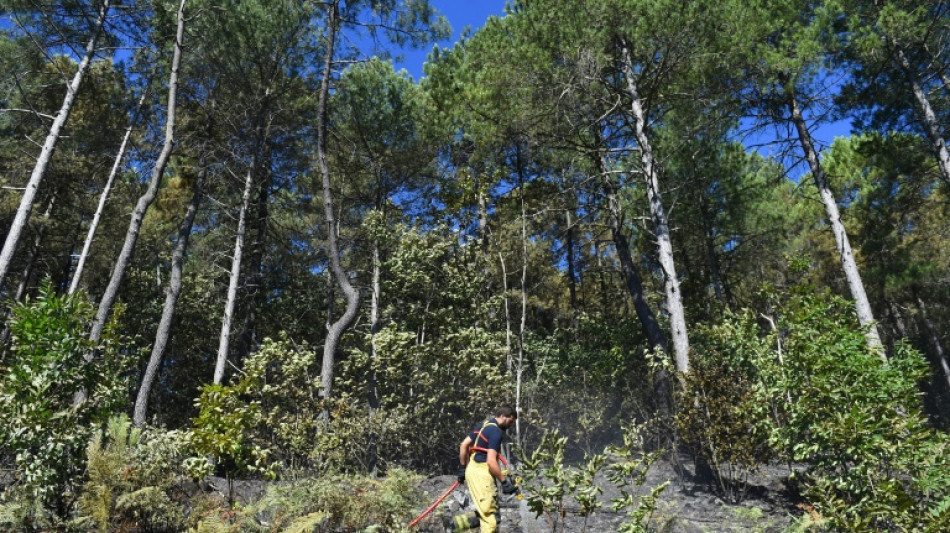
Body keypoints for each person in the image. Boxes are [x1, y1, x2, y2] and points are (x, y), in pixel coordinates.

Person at [455, 405, 518, 532]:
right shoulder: (496, 432)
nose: (510, 425)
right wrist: (504, 482)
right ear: (503, 416)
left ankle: (454, 524)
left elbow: (464, 444)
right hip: (482, 474)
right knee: (491, 518)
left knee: (486, 512)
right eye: (510, 421)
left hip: (472, 470)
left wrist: (462, 468)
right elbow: (491, 461)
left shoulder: (484, 425)